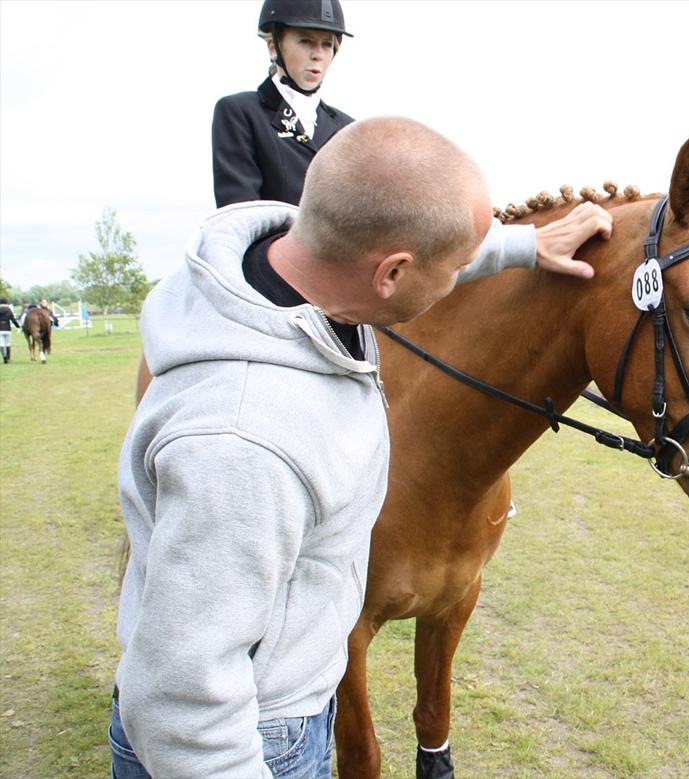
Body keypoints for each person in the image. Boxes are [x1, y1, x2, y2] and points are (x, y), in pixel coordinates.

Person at [110, 116, 612, 778]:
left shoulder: (290, 272)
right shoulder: (244, 439)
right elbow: (181, 700)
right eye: (462, 266)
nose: (466, 274)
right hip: (260, 736)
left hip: (293, 696)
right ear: (394, 272)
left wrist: (522, 247)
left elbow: (416, 252)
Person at [212, 0, 355, 207]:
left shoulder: (348, 128)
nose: (318, 55)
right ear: (273, 47)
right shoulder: (240, 112)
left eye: (327, 44)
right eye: (306, 41)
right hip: (274, 238)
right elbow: (241, 213)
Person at [0, 297, 18, 363]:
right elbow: (13, 319)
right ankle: (8, 358)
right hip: (7, 329)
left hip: (0, 329)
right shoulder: (8, 310)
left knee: (1, 344)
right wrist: (18, 326)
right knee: (8, 344)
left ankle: (4, 356)